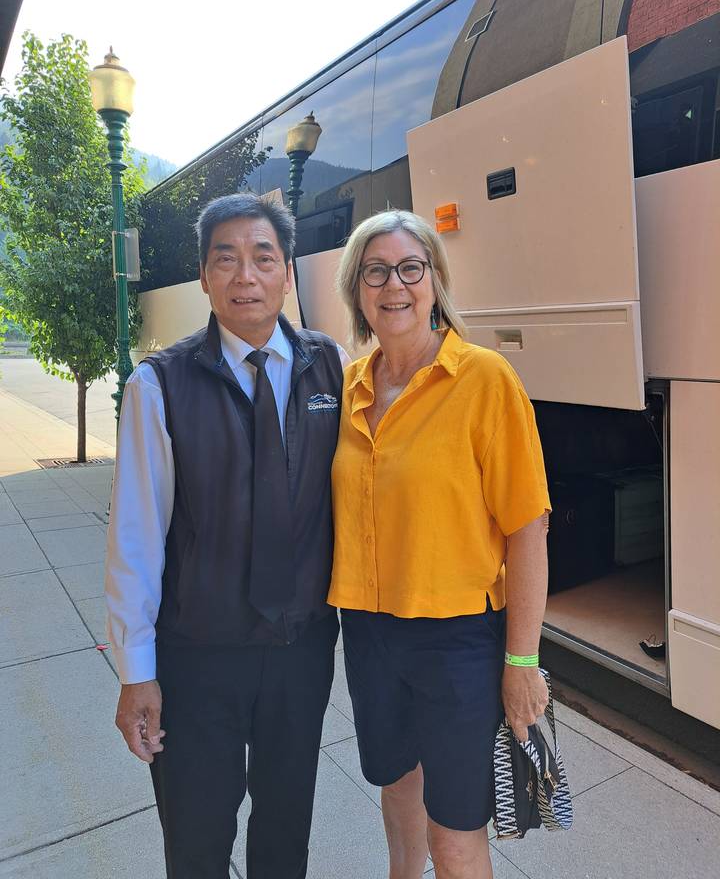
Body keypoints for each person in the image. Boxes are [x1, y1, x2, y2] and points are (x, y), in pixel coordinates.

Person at [105, 193, 347, 879]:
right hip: (197, 656)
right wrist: (136, 673)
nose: (247, 275)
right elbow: (136, 536)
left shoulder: (328, 366)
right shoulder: (160, 385)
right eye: (227, 259)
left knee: (284, 832)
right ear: (205, 277)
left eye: (263, 258)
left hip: (301, 652)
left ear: (288, 272)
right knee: (197, 838)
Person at [329, 210, 551, 879]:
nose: (393, 285)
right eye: (376, 271)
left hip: (458, 639)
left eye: (409, 268)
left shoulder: (484, 380)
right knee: (398, 794)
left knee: (455, 834)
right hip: (368, 631)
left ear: (434, 281)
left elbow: (527, 529)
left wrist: (522, 661)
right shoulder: (350, 385)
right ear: (357, 291)